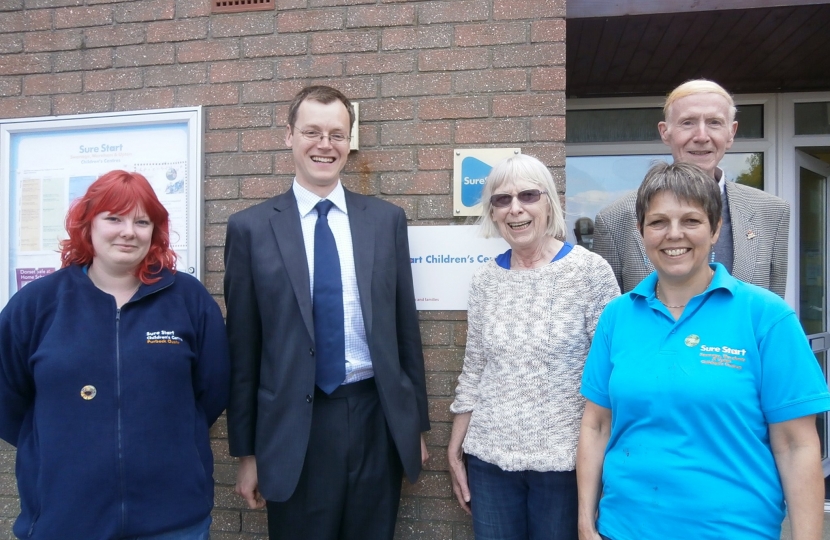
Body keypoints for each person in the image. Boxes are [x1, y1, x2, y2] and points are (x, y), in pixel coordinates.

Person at [578, 161, 830, 540]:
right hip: (623, 528)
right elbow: (596, 425)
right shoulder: (617, 316)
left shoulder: (765, 317)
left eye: (691, 221)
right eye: (658, 222)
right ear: (641, 232)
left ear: (715, 229)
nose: (673, 234)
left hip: (733, 530)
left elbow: (797, 446)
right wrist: (585, 520)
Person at [223, 85, 430, 540]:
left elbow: (404, 330)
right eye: (312, 131)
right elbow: (243, 348)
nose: (324, 144)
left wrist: (413, 424)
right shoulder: (251, 229)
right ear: (290, 136)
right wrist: (247, 453)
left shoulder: (385, 220)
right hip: (295, 428)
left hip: (376, 416)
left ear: (349, 142)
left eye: (337, 134)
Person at [0, 170, 230, 540]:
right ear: (87, 223)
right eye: (114, 218)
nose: (128, 231)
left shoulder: (188, 300)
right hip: (65, 518)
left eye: (142, 221)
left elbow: (212, 392)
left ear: (155, 231)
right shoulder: (38, 303)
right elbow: (8, 400)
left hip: (171, 520)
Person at [447, 154, 619, 540]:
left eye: (528, 195)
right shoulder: (485, 281)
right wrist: (456, 450)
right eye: (502, 200)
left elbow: (609, 378)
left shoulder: (591, 273)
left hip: (565, 466)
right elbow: (474, 368)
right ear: (492, 212)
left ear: (549, 204)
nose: (516, 209)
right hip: (489, 463)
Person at [593, 79, 790, 297]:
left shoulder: (772, 213)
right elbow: (613, 319)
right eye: (688, 122)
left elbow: (774, 311)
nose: (702, 136)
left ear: (731, 133)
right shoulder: (615, 219)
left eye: (714, 122)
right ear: (665, 132)